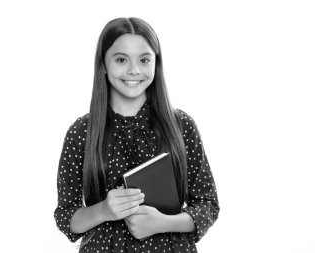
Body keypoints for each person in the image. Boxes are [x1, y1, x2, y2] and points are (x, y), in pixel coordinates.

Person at [54, 17, 219, 253]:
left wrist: (163, 223)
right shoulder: (81, 132)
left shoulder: (181, 126)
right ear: (103, 65)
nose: (134, 70)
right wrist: (103, 210)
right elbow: (66, 216)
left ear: (156, 64)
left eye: (144, 60)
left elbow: (208, 204)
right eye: (121, 59)